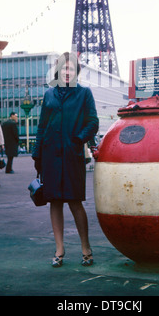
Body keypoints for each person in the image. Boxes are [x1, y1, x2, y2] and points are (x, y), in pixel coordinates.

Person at [32, 52, 99, 268]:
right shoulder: (49, 94)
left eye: (70, 69)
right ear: (58, 71)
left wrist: (77, 139)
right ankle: (59, 248)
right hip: (50, 155)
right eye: (63, 69)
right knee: (54, 201)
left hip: (72, 155)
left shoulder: (84, 94)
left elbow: (93, 122)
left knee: (75, 201)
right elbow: (42, 126)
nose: (67, 72)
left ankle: (85, 246)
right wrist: (37, 153)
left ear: (76, 71)